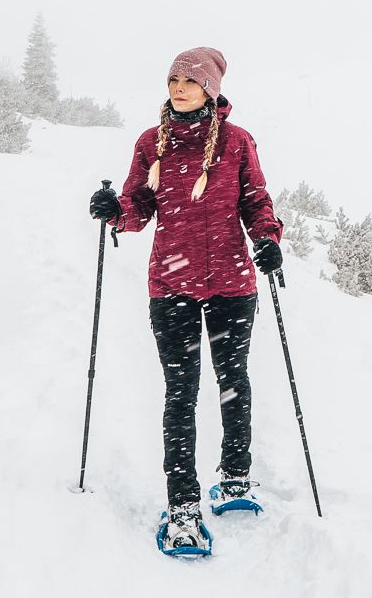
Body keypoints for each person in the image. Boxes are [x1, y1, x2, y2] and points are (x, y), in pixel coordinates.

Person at [88, 47, 283, 554]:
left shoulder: (237, 142)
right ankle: (183, 507)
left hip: (232, 284)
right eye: (174, 79)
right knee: (181, 392)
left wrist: (267, 239)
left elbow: (256, 202)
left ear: (210, 89)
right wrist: (115, 210)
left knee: (233, 382)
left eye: (190, 81)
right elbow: (138, 207)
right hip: (172, 286)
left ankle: (235, 478)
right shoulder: (152, 143)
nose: (179, 88)